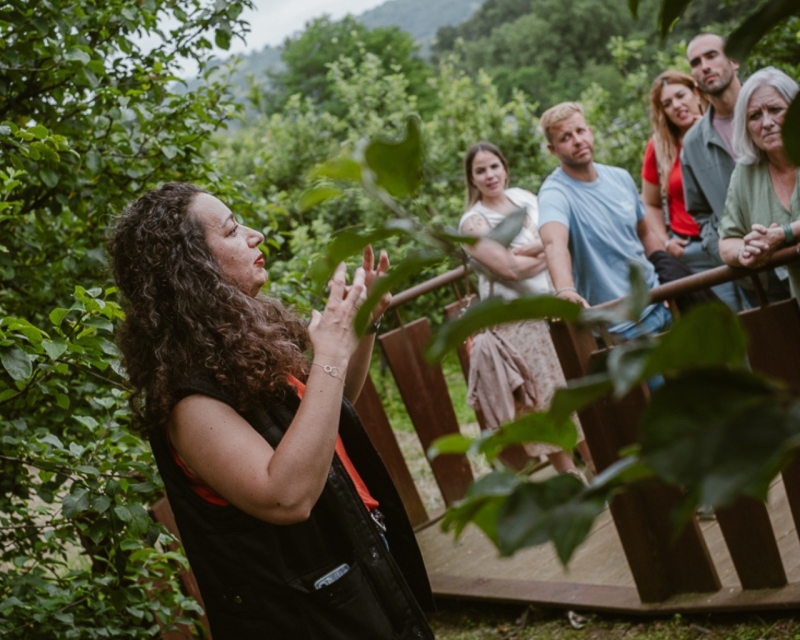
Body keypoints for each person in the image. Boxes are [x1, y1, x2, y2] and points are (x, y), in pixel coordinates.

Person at [108, 183, 434, 639]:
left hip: (352, 553)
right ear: (191, 265)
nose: (256, 235)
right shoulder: (189, 402)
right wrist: (329, 356)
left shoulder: (237, 346)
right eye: (233, 230)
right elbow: (286, 496)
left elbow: (326, 419)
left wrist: (364, 325)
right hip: (305, 614)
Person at [458, 141, 594, 477]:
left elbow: (561, 241)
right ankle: (570, 480)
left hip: (555, 308)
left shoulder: (526, 199)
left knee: (576, 390)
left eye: (494, 166)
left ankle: (599, 467)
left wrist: (531, 253)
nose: (490, 175)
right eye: (480, 171)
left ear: (504, 167)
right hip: (518, 324)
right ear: (471, 179)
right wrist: (546, 250)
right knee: (541, 402)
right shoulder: (472, 222)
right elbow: (508, 268)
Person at [537, 102, 672, 341]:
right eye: (566, 137)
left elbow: (645, 234)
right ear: (553, 149)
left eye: (580, 131)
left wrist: (667, 278)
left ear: (590, 131)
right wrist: (566, 290)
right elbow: (553, 243)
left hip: (660, 305)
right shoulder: (555, 193)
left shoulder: (620, 177)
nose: (577, 140)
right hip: (620, 328)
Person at [681, 33, 778, 309]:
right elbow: (700, 212)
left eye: (712, 55)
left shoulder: (776, 107)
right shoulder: (692, 143)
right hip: (752, 273)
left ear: (734, 60)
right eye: (696, 62)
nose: (705, 66)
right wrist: (725, 249)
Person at [642, 70, 738, 307]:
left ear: (696, 93)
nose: (676, 105)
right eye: (667, 103)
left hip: (735, 236)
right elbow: (650, 202)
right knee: (729, 321)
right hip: (693, 250)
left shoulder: (722, 128)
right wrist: (666, 243)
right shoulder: (659, 147)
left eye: (680, 95)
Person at [718, 67, 799, 297]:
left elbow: (781, 235)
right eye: (754, 116)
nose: (766, 123)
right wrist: (746, 250)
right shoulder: (746, 172)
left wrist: (784, 234)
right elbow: (727, 242)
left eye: (775, 110)